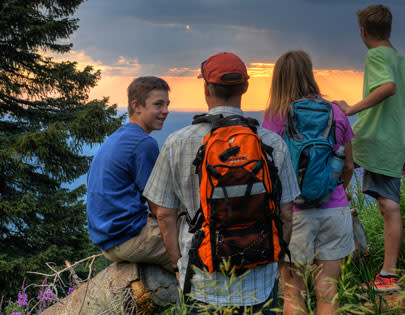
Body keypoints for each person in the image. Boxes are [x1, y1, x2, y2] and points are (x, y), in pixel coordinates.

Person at [143, 52, 300, 314]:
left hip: (200, 282)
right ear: (246, 87)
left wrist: (177, 263)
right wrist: (274, 262)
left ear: (206, 88)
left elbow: (164, 213)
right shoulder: (272, 144)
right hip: (258, 284)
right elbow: (286, 214)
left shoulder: (177, 142)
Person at [262, 50, 355, 315]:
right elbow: (348, 165)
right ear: (310, 74)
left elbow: (269, 169)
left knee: (292, 294)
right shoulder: (335, 112)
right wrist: (335, 192)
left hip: (294, 215)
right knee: (328, 294)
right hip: (334, 210)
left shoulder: (276, 116)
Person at [334, 4, 405, 292]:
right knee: (389, 205)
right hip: (393, 143)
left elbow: (388, 88)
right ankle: (388, 275)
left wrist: (350, 110)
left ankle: (334, 229)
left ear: (363, 31)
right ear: (389, 29)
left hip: (371, 137)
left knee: (330, 170)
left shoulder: (376, 55)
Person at [87, 76, 173, 272]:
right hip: (127, 238)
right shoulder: (144, 144)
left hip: (106, 240)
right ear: (137, 106)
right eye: (158, 105)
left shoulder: (119, 137)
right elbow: (161, 208)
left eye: (167, 104)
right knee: (197, 252)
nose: (166, 111)